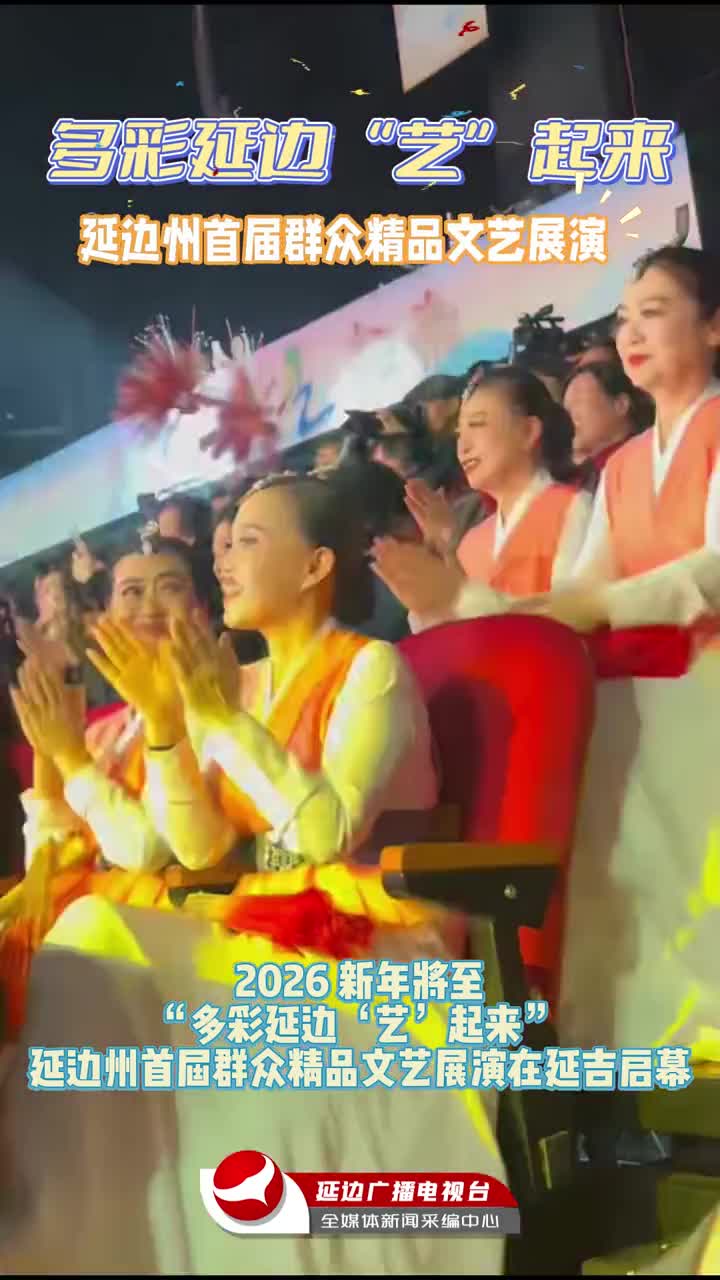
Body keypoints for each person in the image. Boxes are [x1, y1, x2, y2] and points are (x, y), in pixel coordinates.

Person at [372, 368, 592, 628]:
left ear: (528, 431)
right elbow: (454, 635)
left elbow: (576, 619)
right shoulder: (472, 542)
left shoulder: (571, 507)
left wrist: (455, 592)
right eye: (458, 433)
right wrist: (437, 569)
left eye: (477, 424)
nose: (463, 446)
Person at [563, 360, 652, 474]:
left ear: (621, 405)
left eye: (578, 401)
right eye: (566, 408)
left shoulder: (647, 463)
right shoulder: (577, 477)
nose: (568, 414)